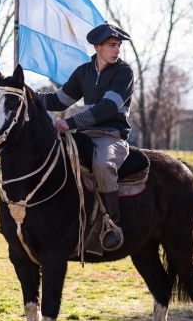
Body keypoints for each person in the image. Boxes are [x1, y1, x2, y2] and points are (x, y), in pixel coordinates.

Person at [36, 23, 134, 251]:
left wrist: (69, 123)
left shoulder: (124, 72)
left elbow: (108, 107)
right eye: (112, 45)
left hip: (111, 135)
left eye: (118, 46)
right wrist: (27, 93)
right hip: (84, 135)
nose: (117, 50)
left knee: (102, 163)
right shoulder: (83, 72)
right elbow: (59, 101)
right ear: (97, 46)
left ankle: (112, 226)